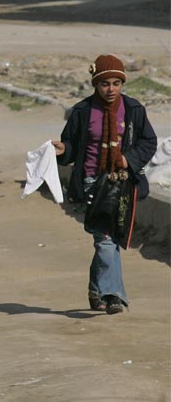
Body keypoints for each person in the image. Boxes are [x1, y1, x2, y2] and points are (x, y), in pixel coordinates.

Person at [53, 55, 156, 314]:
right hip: (91, 182)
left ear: (122, 84)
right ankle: (113, 296)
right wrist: (63, 150)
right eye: (105, 84)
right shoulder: (82, 111)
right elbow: (71, 144)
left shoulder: (133, 110)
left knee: (108, 238)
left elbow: (148, 142)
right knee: (106, 238)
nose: (111, 89)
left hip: (121, 183)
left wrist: (127, 159)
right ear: (95, 84)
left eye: (116, 83)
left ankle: (96, 290)